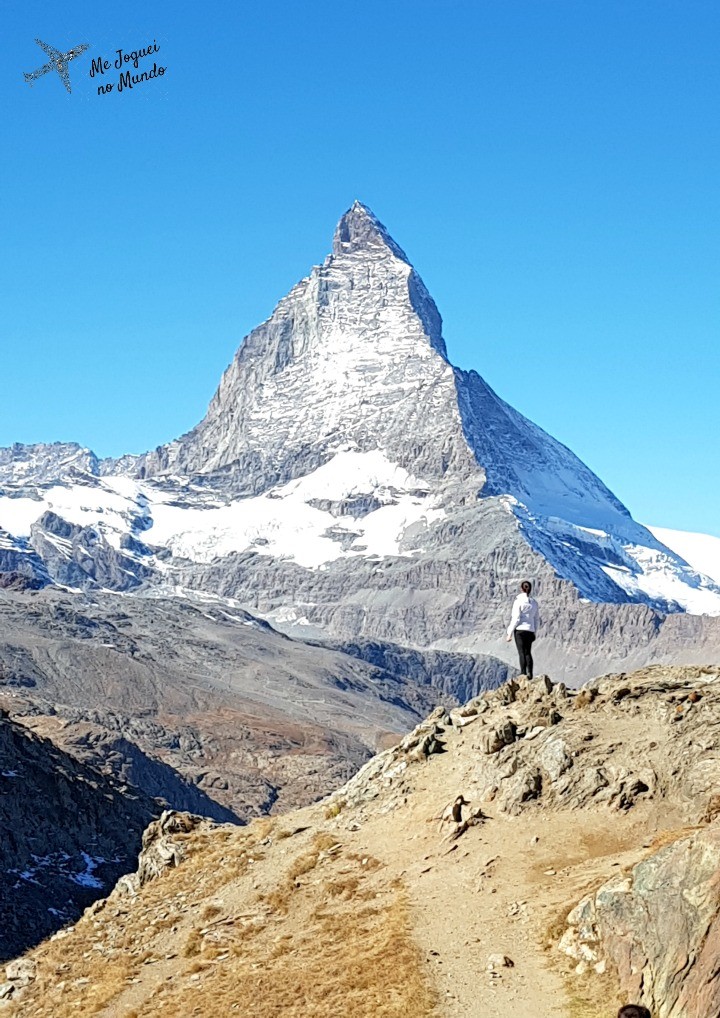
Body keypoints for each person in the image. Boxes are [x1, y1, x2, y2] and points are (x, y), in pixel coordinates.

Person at [505, 580, 540, 679]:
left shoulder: (518, 601)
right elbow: (536, 619)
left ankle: (523, 673)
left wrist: (509, 633)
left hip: (520, 630)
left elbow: (516, 618)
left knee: (521, 652)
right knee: (528, 652)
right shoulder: (534, 603)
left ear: (521, 589)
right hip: (530, 630)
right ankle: (530, 673)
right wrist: (534, 631)